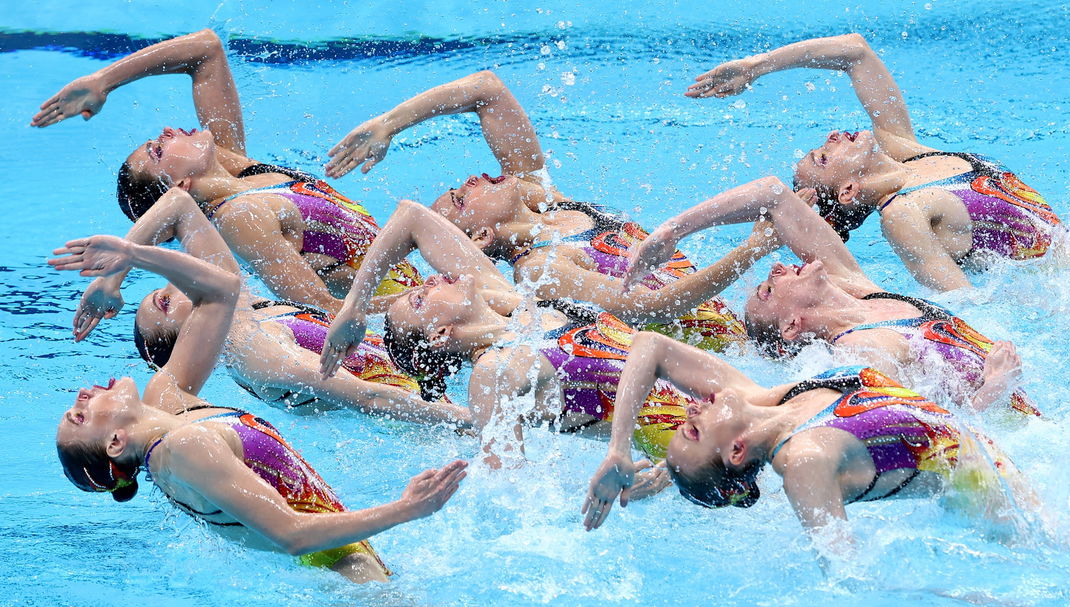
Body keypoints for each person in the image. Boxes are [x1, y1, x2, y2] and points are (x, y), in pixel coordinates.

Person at [49, 233, 467, 583]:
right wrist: (407, 509)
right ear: (117, 442)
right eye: (79, 417)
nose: (81, 396)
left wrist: (133, 255)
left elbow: (221, 292)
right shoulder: (182, 450)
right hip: (343, 572)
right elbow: (293, 535)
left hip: (344, 552)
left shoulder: (167, 401)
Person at [319, 199, 779, 469]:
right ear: (441, 334)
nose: (432, 279)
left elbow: (411, 217)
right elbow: (508, 490)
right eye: (420, 299)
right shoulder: (495, 370)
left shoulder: (524, 310)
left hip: (734, 401)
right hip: (708, 451)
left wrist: (355, 307)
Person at [325, 70, 748, 350]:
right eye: (460, 199)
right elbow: (657, 307)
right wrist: (756, 247)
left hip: (745, 332)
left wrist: (388, 125)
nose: (471, 179)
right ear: (480, 239)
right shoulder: (541, 269)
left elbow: (486, 89)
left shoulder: (548, 199)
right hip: (725, 357)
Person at [31, 29, 420, 314]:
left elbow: (206, 49)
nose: (167, 131)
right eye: (157, 149)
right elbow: (327, 309)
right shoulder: (241, 218)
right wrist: (428, 298)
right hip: (418, 316)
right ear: (179, 185)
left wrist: (104, 81)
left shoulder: (238, 166)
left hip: (423, 291)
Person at [581, 332, 1035, 565]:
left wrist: (619, 447)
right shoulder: (804, 461)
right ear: (737, 452)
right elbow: (848, 577)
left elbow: (650, 347)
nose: (689, 415)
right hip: (1011, 518)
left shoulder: (771, 401)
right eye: (694, 433)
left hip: (996, 469)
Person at [626, 176, 1038, 416]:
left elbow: (772, 194)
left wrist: (672, 231)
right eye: (769, 290)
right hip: (1018, 447)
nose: (776, 267)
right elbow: (931, 429)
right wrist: (996, 386)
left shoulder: (863, 291)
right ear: (792, 325)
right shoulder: (863, 350)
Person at [686, 32, 1061, 291]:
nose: (831, 137)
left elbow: (855, 51)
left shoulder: (906, 149)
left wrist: (758, 66)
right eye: (823, 157)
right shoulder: (903, 214)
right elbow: (966, 303)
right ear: (848, 190)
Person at [72, 187, 470, 426]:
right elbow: (371, 399)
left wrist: (111, 277)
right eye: (162, 302)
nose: (173, 282)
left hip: (437, 367)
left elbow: (177, 204)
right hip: (436, 415)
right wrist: (475, 423)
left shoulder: (240, 304)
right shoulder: (253, 350)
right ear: (183, 336)